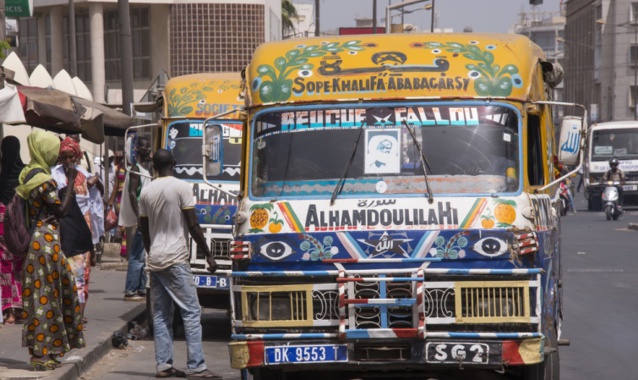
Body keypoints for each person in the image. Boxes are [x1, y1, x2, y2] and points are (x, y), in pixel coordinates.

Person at [139, 149, 220, 379]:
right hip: (175, 259)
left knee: (162, 314)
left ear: (154, 167)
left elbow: (144, 229)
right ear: (173, 163)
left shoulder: (146, 191)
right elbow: (193, 225)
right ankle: (197, 366)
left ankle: (163, 365)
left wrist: (151, 251)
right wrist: (208, 254)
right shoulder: (182, 187)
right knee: (192, 311)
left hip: (155, 260)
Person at [16, 131, 85, 370]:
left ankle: (50, 350)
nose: (57, 155)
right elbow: (62, 210)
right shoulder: (43, 180)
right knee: (45, 299)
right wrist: (71, 182)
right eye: (53, 151)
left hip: (41, 245)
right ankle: (40, 355)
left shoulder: (28, 173)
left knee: (49, 297)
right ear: (44, 150)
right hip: (44, 245)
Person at [51, 137, 104, 324]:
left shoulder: (83, 173)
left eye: (71, 157)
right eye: (63, 157)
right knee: (65, 272)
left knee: (82, 274)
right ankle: (67, 315)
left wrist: (96, 183)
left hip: (83, 229)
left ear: (77, 156)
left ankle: (78, 317)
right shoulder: (55, 175)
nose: (67, 161)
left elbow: (97, 202)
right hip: (64, 228)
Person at [119, 137, 152, 301]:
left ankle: (140, 288)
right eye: (145, 146)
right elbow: (133, 193)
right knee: (137, 255)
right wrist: (139, 215)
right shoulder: (135, 169)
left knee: (142, 255)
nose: (149, 149)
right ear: (138, 149)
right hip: (141, 217)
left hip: (145, 216)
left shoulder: (145, 170)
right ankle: (130, 290)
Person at [0, 136, 26, 324]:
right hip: (19, 224)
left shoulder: (1, 172)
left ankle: (8, 311)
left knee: (5, 267)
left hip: (2, 224)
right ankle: (20, 309)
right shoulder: (24, 172)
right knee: (20, 265)